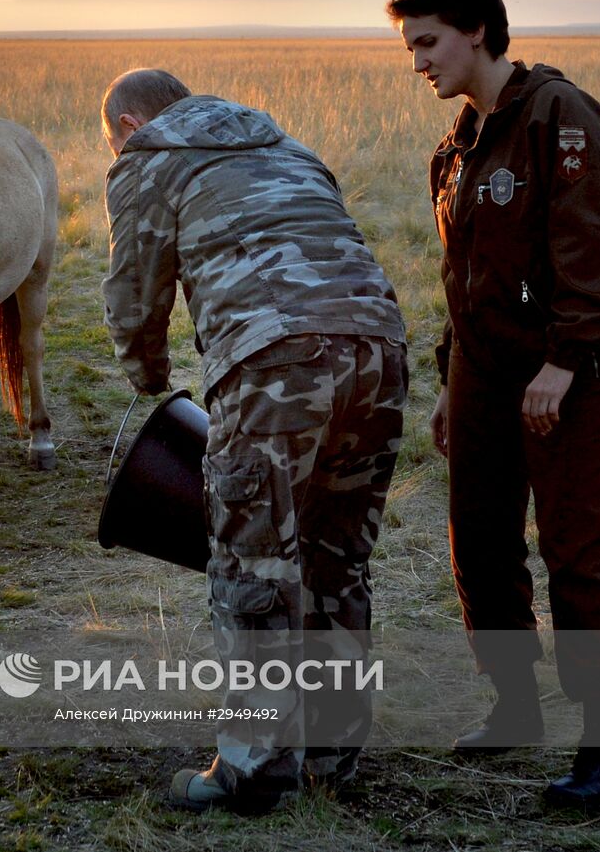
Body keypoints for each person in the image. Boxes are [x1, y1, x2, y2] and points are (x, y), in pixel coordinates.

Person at [100, 69, 407, 811]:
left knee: (253, 564)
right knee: (337, 557)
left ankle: (255, 768)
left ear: (132, 124)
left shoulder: (148, 157)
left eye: (113, 141)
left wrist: (148, 374)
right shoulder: (288, 145)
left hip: (276, 364)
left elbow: (134, 295)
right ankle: (331, 756)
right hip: (380, 351)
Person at [387, 0, 600, 813]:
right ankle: (515, 704)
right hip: (484, 375)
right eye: (411, 46)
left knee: (578, 549)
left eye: (427, 42)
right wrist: (446, 379)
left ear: (477, 31)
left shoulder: (557, 117)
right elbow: (465, 278)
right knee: (480, 543)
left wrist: (565, 362)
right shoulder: (456, 147)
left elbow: (597, 253)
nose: (417, 61)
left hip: (568, 375)